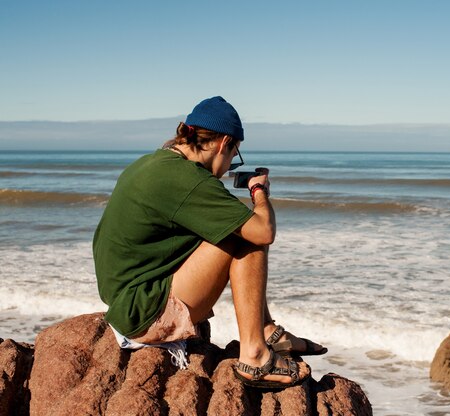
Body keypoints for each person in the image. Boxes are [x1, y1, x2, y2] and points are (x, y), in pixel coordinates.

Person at [93, 96, 326, 389]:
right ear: (223, 143)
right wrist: (259, 192)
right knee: (247, 238)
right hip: (143, 313)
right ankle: (255, 355)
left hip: (127, 300)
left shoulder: (154, 163)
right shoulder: (187, 179)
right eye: (235, 154)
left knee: (232, 228)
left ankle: (267, 332)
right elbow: (263, 231)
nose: (230, 163)